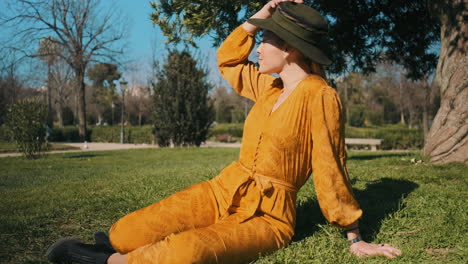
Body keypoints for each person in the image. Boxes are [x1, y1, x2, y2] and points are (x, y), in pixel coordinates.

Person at [46, 1, 402, 263]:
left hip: (269, 217)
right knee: (125, 231)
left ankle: (106, 261)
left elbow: (330, 166)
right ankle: (120, 246)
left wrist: (354, 236)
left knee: (188, 251)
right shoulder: (269, 86)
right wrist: (254, 21)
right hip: (224, 189)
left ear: (291, 48)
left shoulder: (320, 96)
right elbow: (229, 60)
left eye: (265, 40)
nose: (257, 48)